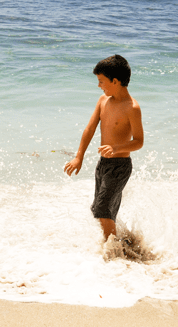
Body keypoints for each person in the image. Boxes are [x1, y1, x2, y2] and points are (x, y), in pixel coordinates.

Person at [64, 55, 144, 241]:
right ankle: (123, 243)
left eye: (101, 81)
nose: (99, 85)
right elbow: (89, 129)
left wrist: (117, 148)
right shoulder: (103, 101)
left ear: (115, 81)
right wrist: (79, 157)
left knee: (103, 210)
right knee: (100, 210)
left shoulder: (132, 107)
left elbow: (139, 141)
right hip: (103, 164)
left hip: (120, 166)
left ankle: (113, 254)